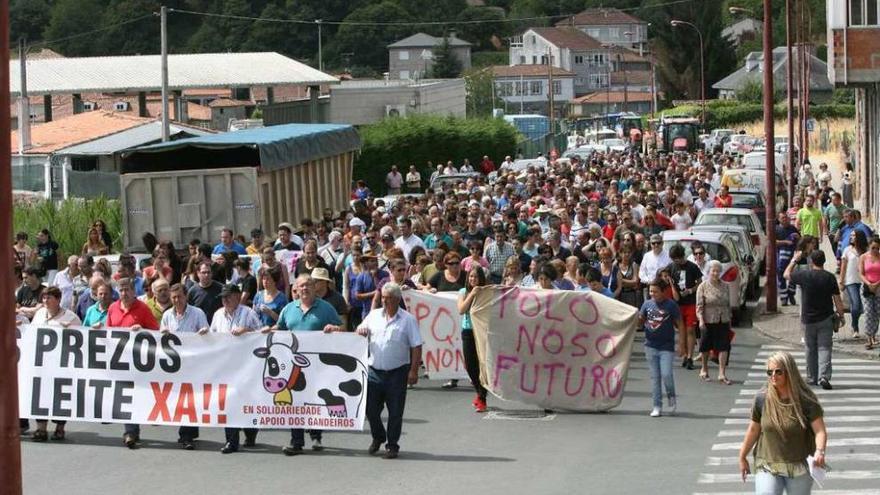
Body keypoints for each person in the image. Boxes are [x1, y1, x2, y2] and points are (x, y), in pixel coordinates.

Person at [737, 351, 828, 494]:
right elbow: (753, 430)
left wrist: (820, 451)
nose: (773, 375)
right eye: (770, 372)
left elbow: (819, 431)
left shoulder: (806, 400)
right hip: (768, 463)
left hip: (799, 464)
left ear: (789, 372)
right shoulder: (762, 398)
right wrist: (742, 456)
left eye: (778, 371)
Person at [272, 275, 343, 455]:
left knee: (314, 399)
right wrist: (266, 331)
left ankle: (316, 434)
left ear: (314, 288)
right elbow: (279, 329)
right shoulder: (288, 309)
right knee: (295, 402)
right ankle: (296, 442)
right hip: (294, 366)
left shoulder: (326, 308)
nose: (305, 289)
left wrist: (334, 329)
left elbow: (342, 329)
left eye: (308, 285)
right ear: (295, 289)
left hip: (318, 365)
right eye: (301, 286)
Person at [356, 283, 423, 459]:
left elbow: (416, 346)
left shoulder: (408, 320)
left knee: (395, 411)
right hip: (374, 371)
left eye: (388, 298)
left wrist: (413, 371)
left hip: (397, 372)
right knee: (370, 410)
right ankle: (378, 436)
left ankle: (392, 445)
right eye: (383, 298)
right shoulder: (373, 315)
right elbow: (359, 331)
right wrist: (360, 330)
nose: (384, 301)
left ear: (397, 299)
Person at [207, 284, 262, 454]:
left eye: (228, 296)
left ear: (238, 296)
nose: (225, 300)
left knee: (246, 400)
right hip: (226, 365)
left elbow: (262, 334)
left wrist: (247, 330)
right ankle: (231, 441)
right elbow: (213, 335)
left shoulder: (248, 313)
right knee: (229, 402)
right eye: (223, 297)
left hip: (246, 365)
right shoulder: (218, 315)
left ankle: (251, 432)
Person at [105, 277, 159, 448]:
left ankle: (131, 431)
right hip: (119, 362)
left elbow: (155, 332)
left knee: (135, 395)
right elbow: (107, 333)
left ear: (134, 291)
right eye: (121, 290)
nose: (124, 293)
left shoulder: (142, 308)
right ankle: (130, 431)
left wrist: (142, 330)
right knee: (124, 396)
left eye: (127, 290)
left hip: (138, 361)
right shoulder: (113, 308)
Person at [784, 250, 845, 390]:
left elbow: (786, 274)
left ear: (811, 261)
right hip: (826, 318)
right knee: (825, 348)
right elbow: (837, 299)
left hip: (808, 319)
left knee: (810, 348)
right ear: (824, 261)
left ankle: (811, 377)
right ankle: (823, 376)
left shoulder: (804, 275)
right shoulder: (830, 278)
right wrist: (841, 316)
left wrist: (794, 260)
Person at [159, 283, 209, 450]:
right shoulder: (167, 315)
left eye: (179, 297)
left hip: (193, 363)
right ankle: (189, 432)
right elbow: (161, 338)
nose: (177, 300)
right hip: (175, 364)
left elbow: (207, 334)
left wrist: (202, 333)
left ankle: (186, 435)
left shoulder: (197, 313)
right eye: (173, 298)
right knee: (179, 398)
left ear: (186, 296)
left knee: (189, 398)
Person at [30, 286, 82, 441]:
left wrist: (70, 330)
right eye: (44, 298)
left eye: (49, 298)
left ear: (58, 299)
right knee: (41, 395)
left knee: (61, 396)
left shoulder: (71, 317)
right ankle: (41, 428)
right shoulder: (39, 314)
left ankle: (60, 428)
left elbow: (82, 340)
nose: (45, 301)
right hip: (42, 364)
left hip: (62, 366)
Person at [639, 278, 683, 417]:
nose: (653, 294)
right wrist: (637, 318)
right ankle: (657, 405)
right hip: (650, 346)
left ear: (664, 291)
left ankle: (671, 396)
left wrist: (681, 344)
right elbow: (640, 321)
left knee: (666, 374)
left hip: (666, 347)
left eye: (656, 291)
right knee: (655, 377)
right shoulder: (646, 304)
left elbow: (680, 324)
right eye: (651, 291)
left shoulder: (671, 305)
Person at [696, 260, 733, 384]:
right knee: (706, 346)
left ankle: (722, 373)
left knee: (724, 346)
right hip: (708, 320)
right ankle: (704, 369)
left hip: (723, 319)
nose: (716, 273)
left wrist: (730, 320)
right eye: (713, 271)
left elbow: (728, 304)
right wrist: (701, 320)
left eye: (718, 271)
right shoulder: (703, 286)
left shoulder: (725, 286)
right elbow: (699, 306)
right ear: (709, 272)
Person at [667, 244, 703, 370]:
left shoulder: (692, 267)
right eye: (673, 259)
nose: (675, 261)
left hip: (690, 302)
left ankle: (689, 357)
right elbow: (664, 277)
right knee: (681, 331)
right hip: (677, 304)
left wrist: (690, 291)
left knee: (690, 330)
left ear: (681, 256)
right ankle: (684, 355)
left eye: (677, 258)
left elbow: (699, 283)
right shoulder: (671, 267)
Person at [839, 230, 867, 339]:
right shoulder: (847, 250)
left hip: (863, 281)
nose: (851, 237)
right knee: (855, 305)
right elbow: (843, 267)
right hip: (850, 281)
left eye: (853, 235)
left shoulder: (866, 251)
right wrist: (841, 281)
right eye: (850, 235)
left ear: (859, 237)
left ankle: (854, 324)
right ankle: (855, 327)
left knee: (861, 307)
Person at [859, 235, 880, 350]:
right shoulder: (863, 257)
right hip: (867, 288)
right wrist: (868, 283)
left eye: (877, 248)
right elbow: (861, 273)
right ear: (869, 247)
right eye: (873, 248)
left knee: (876, 313)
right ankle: (868, 337)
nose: (875, 250)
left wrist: (876, 284)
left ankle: (873, 334)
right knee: (868, 312)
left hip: (878, 288)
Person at [776, 212, 800, 306]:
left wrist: (798, 237)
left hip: (792, 256)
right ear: (779, 219)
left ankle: (791, 295)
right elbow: (772, 241)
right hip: (780, 258)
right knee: (781, 277)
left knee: (793, 276)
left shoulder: (793, 228)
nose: (785, 219)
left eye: (786, 217)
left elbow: (799, 240)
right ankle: (784, 298)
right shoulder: (776, 229)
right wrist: (785, 242)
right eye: (783, 218)